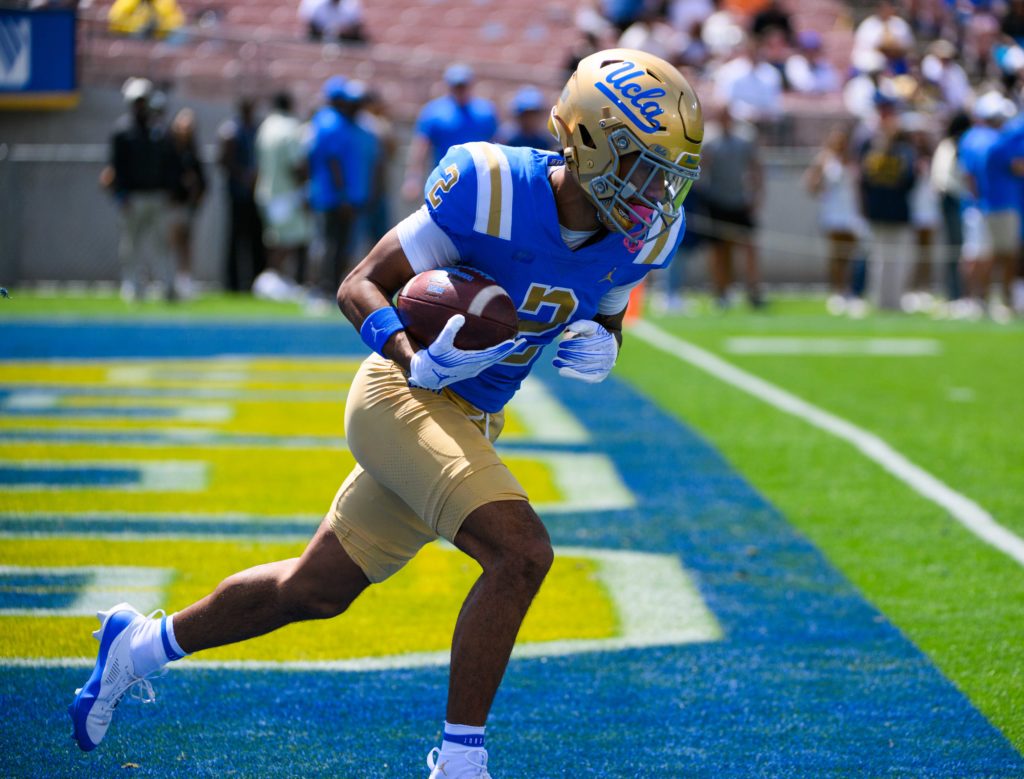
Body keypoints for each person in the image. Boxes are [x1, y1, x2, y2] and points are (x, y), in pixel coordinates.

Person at [67, 48, 704, 779]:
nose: (658, 189)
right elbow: (360, 283)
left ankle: (138, 644)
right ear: (587, 139)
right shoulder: (492, 186)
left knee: (314, 588)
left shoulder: (646, 232)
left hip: (471, 416)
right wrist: (414, 357)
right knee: (521, 552)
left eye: (667, 170)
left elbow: (607, 307)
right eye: (644, 164)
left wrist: (604, 342)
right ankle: (460, 763)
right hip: (399, 393)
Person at [107, 77, 172, 302]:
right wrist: (121, 194)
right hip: (133, 196)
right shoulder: (122, 131)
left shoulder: (158, 130)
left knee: (160, 242)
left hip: (156, 195)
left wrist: (167, 189)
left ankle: (166, 285)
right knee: (131, 244)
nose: (141, 106)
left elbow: (166, 163)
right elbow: (117, 166)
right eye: (137, 102)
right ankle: (132, 285)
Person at [400, 64, 498, 202]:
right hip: (445, 180)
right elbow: (421, 148)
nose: (460, 90)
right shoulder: (433, 111)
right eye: (456, 86)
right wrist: (413, 178)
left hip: (479, 181)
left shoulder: (486, 112)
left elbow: (496, 145)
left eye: (463, 85)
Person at [700, 102, 764, 308]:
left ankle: (753, 290)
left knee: (749, 247)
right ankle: (721, 291)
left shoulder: (744, 138)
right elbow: (702, 169)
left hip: (740, 201)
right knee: (719, 250)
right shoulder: (709, 140)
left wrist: (756, 195)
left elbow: (755, 167)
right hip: (717, 201)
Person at [857, 94, 917, 311]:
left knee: (898, 260)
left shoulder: (904, 147)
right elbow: (862, 180)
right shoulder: (867, 143)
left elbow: (911, 180)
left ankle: (895, 301)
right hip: (878, 210)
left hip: (898, 210)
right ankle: (881, 301)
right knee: (879, 259)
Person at [253, 91, 311, 300]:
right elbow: (295, 164)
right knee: (288, 240)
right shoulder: (289, 128)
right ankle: (271, 280)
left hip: (265, 191)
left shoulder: (265, 126)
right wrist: (304, 188)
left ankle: (273, 280)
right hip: (285, 193)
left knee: (276, 238)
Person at [804, 124, 867, 315]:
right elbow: (811, 185)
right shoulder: (824, 160)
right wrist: (820, 185)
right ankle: (838, 290)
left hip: (851, 213)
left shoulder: (853, 160)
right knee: (836, 254)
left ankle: (851, 290)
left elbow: (859, 188)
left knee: (852, 254)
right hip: (833, 213)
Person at [307, 76, 357, 297]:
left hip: (324, 192)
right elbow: (334, 162)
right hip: (334, 196)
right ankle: (324, 287)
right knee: (331, 244)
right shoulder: (333, 122)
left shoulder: (322, 119)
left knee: (328, 242)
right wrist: (343, 194)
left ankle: (325, 286)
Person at [218, 97, 266, 292]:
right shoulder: (231, 131)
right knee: (236, 239)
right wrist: (244, 177)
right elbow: (224, 161)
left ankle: (256, 282)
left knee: (257, 240)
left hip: (256, 194)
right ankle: (232, 284)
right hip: (238, 195)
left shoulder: (257, 130)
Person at [165, 107, 206, 301]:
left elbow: (202, 178)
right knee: (168, 241)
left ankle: (185, 279)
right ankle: (166, 278)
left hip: (187, 204)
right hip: (170, 203)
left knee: (186, 242)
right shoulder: (169, 148)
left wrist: (197, 192)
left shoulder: (192, 150)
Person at [495, 86, 557, 150]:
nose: (530, 119)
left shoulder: (546, 140)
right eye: (526, 115)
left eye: (534, 114)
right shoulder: (507, 138)